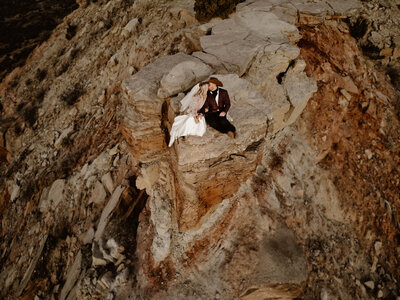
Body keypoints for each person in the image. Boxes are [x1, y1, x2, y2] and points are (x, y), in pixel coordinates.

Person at [168, 82, 208, 147]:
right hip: (193, 113)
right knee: (191, 120)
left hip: (199, 113)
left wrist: (201, 114)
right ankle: (179, 134)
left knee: (201, 123)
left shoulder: (205, 96)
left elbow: (204, 107)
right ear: (205, 88)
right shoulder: (197, 96)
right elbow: (192, 108)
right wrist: (195, 117)